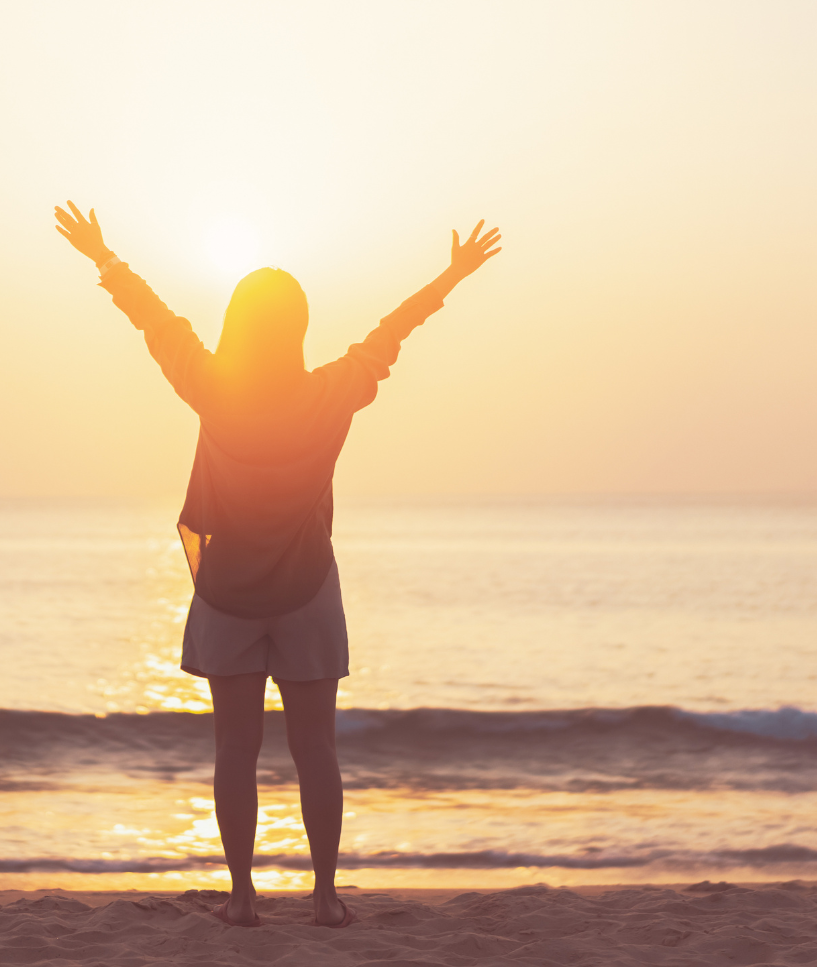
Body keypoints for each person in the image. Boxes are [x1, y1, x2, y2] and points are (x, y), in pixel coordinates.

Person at [52, 201, 502, 928]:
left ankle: (242, 898)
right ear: (298, 329)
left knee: (235, 750)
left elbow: (157, 322)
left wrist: (103, 258)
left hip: (227, 593)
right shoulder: (330, 392)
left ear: (237, 324)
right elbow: (392, 332)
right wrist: (451, 275)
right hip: (308, 591)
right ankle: (325, 898)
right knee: (315, 748)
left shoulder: (211, 385)